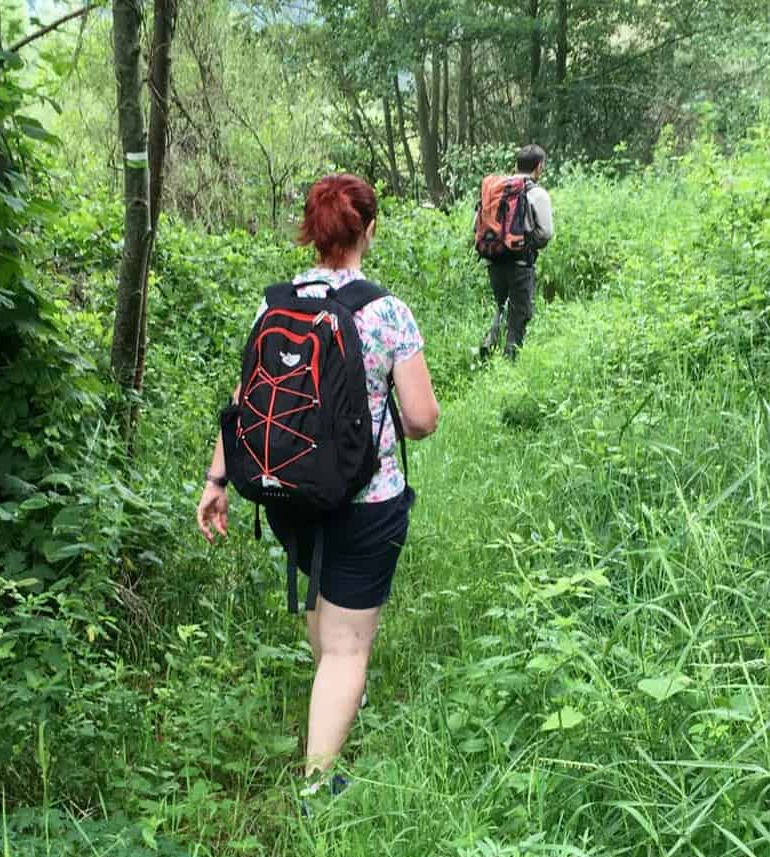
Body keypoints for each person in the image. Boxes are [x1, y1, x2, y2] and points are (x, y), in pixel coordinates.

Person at [195, 174, 440, 793]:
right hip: (366, 503)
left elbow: (245, 402)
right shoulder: (386, 313)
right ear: (369, 230)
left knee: (326, 608)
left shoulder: (274, 306)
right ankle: (317, 789)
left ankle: (332, 697)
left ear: (312, 232)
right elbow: (421, 419)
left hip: (286, 494)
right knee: (348, 648)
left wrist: (216, 478)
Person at [479, 144, 555, 361]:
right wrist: (529, 243)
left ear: (516, 165)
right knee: (520, 315)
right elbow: (546, 232)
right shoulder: (537, 193)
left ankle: (490, 342)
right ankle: (510, 361)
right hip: (521, 263)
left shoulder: (497, 190)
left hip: (493, 259)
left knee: (500, 306)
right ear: (539, 166)